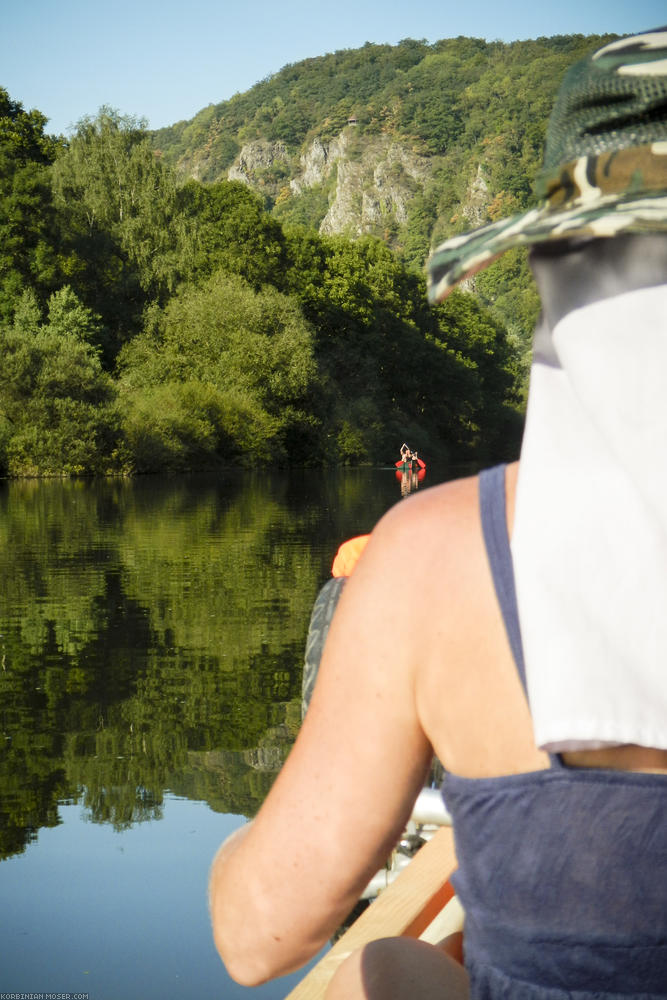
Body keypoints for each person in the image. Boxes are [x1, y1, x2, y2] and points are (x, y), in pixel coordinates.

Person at [209, 28, 667, 998]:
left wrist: (233, 851)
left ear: (560, 274)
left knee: (367, 972)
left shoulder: (428, 555)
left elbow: (254, 939)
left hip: (442, 569)